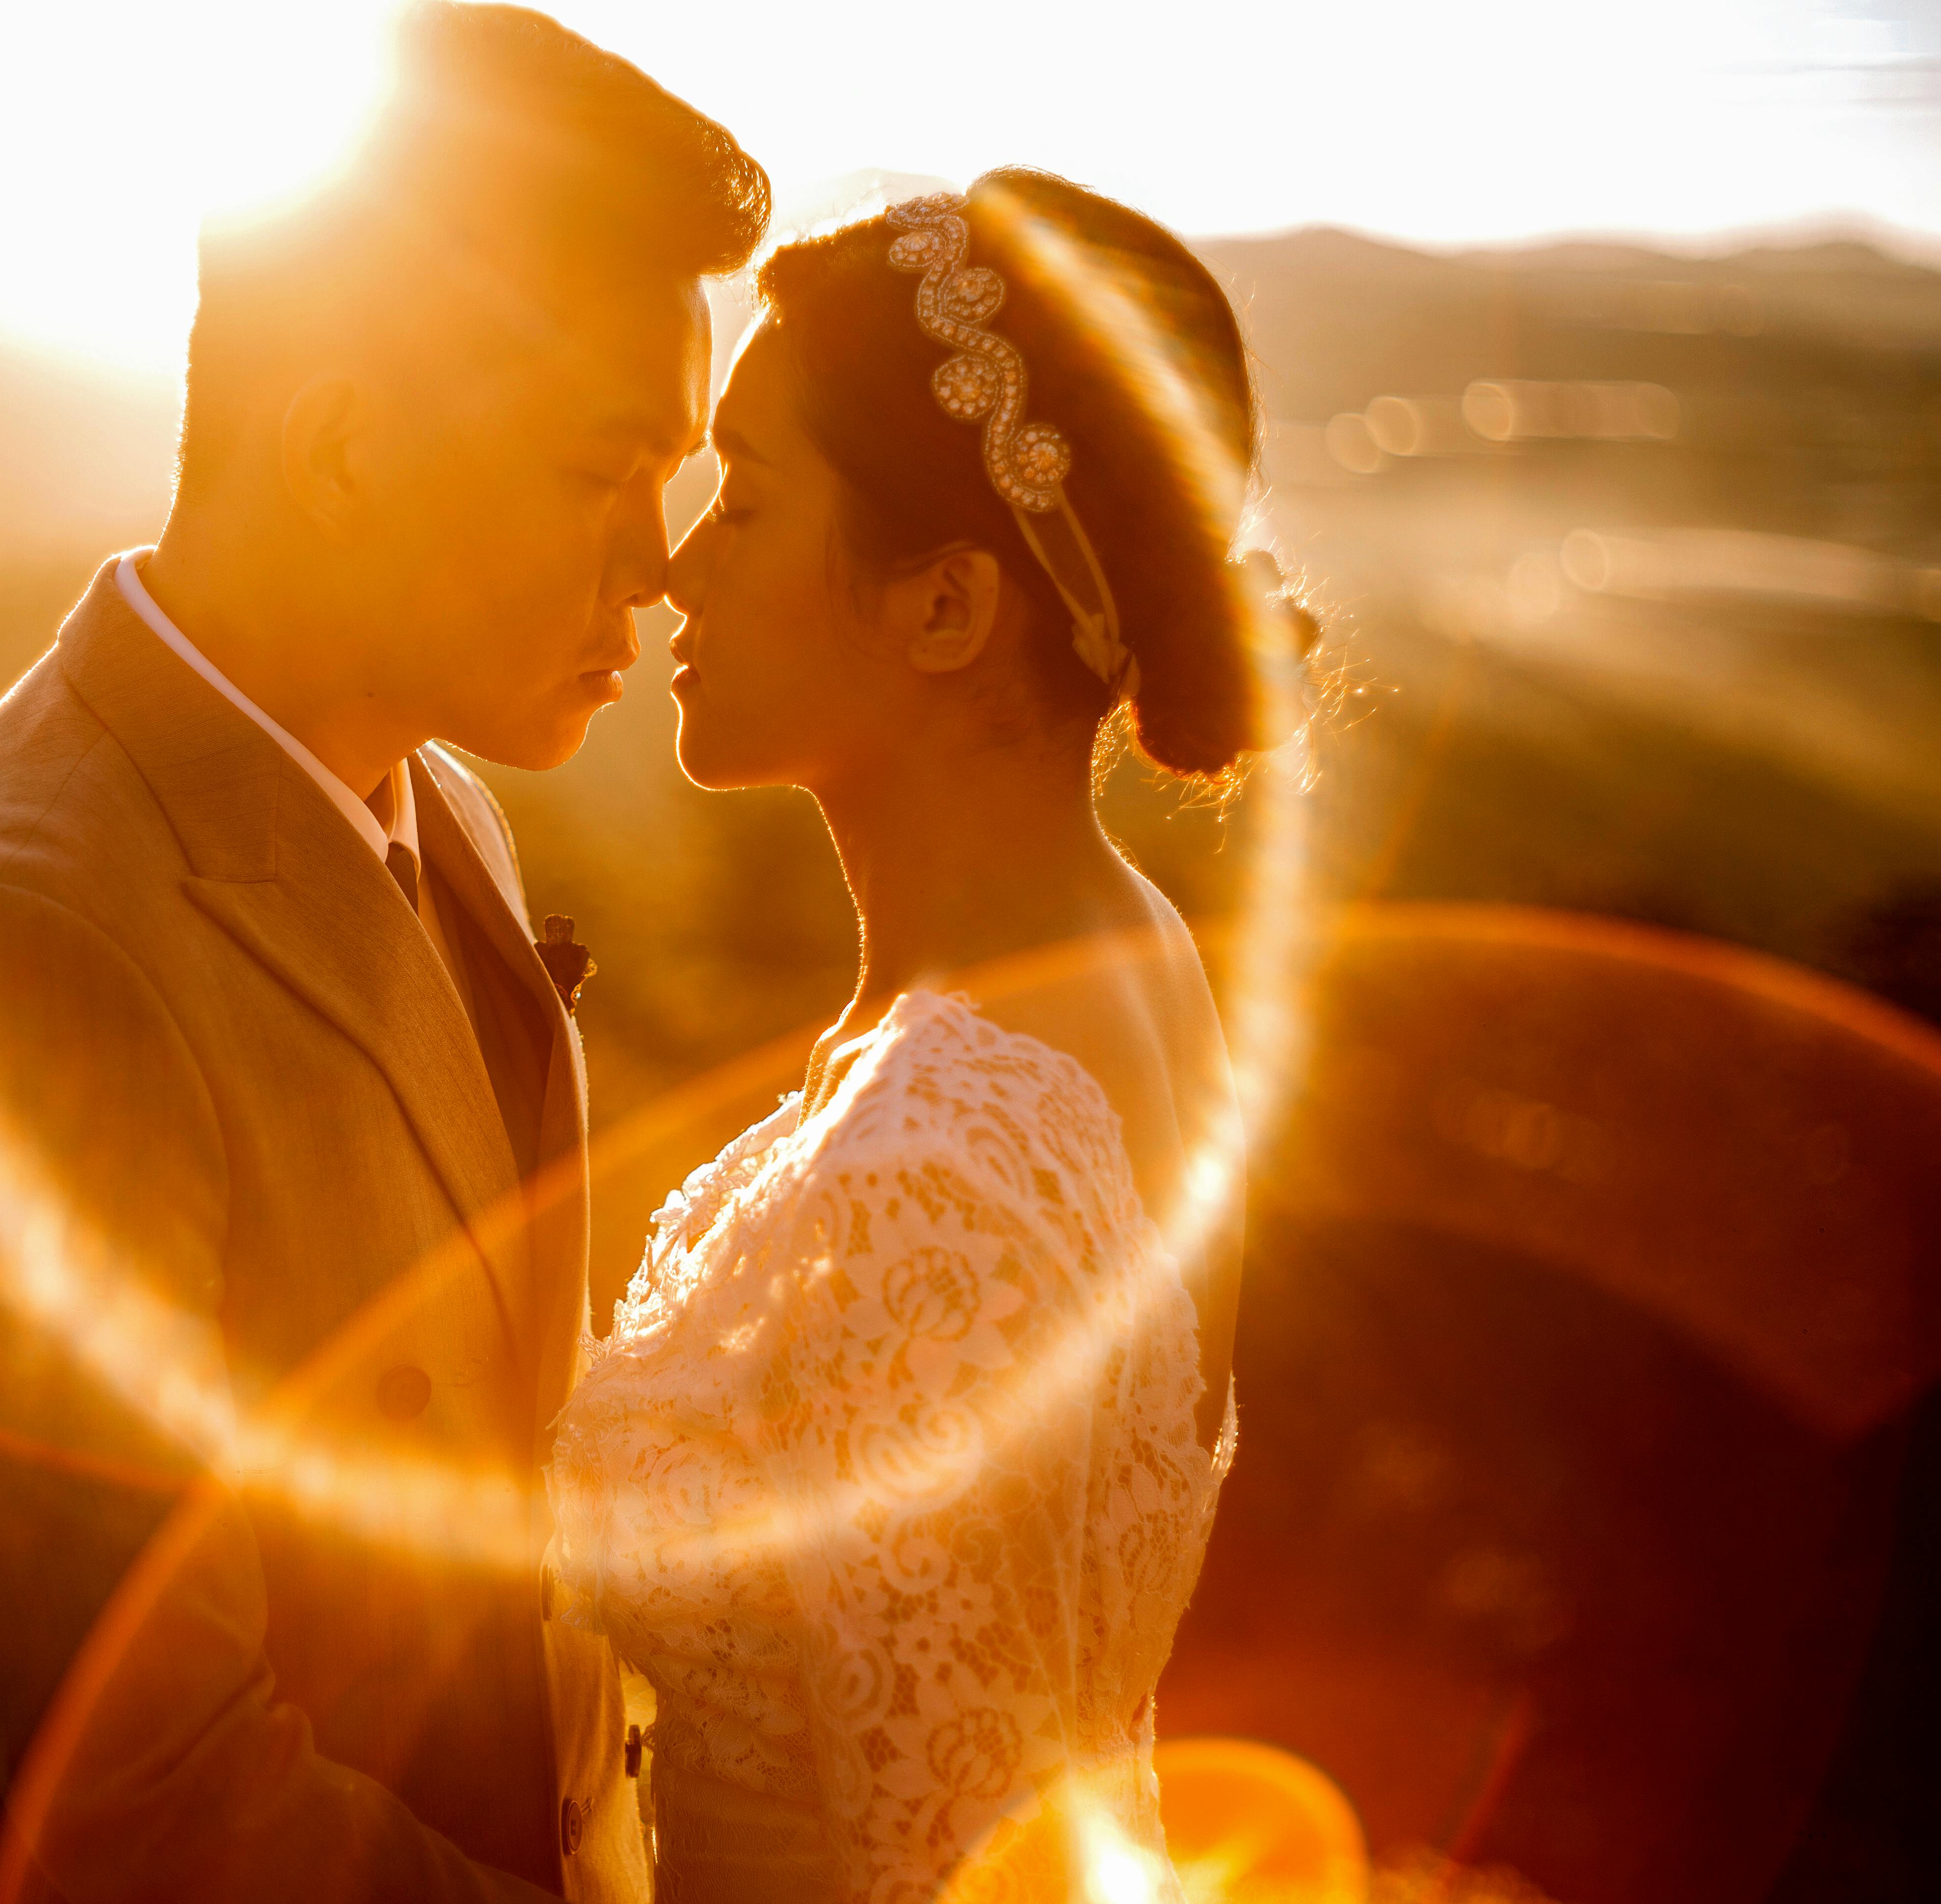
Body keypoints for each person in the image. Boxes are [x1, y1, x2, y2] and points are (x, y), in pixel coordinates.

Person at [0, 8, 766, 1900]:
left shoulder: (434, 798)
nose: (660, 560)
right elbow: (147, 1798)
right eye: (599, 466)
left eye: (686, 467)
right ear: (335, 446)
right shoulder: (15, 944)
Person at [547, 171, 1309, 1904]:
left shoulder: (931, 1171)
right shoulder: (1133, 960)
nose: (671, 565)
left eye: (742, 499)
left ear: (949, 608)